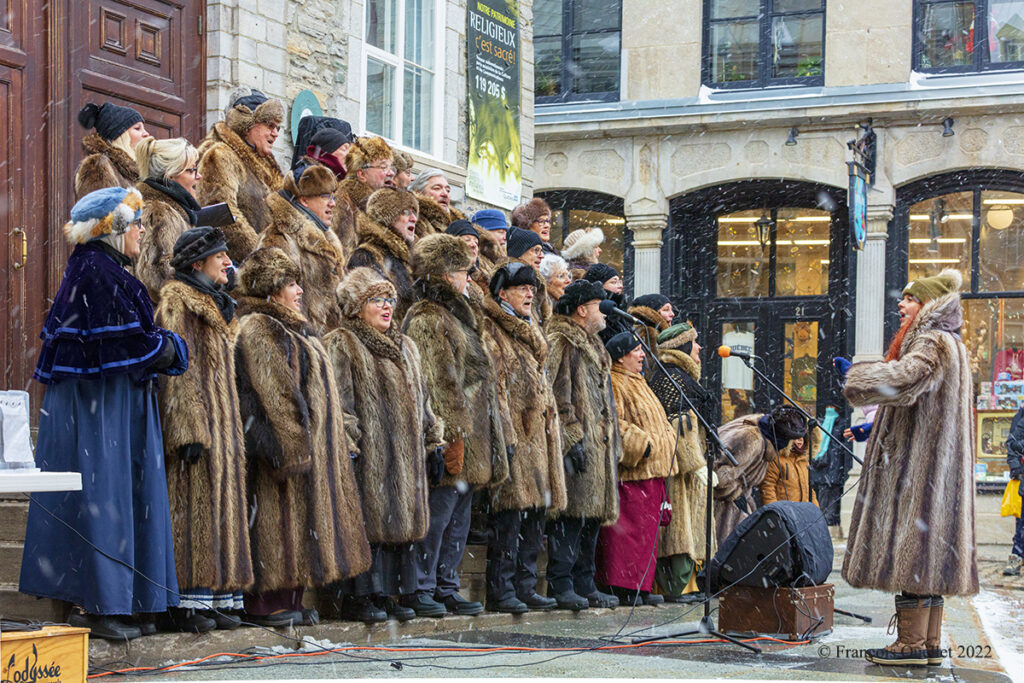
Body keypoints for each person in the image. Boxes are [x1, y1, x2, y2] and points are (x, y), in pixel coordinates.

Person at [20, 187, 188, 640]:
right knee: (105, 490)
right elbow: (127, 345)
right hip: (102, 408)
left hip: (111, 404)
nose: (140, 232)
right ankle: (103, 603)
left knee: (116, 491)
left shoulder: (101, 268)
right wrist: (170, 347)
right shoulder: (97, 272)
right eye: (134, 223)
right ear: (112, 229)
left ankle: (124, 600)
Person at [839, 269, 977, 667]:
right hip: (938, 468)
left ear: (928, 305)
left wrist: (859, 375)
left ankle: (911, 644)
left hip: (920, 468)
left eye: (909, 300)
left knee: (914, 553)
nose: (901, 306)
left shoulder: (931, 340)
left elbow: (906, 378)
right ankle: (929, 642)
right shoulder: (953, 343)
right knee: (930, 555)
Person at [233, 247, 371, 627]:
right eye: (291, 283)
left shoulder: (297, 327)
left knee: (297, 525)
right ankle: (265, 604)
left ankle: (290, 598)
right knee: (274, 523)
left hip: (310, 447)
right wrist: (291, 447)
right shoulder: (260, 326)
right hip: (279, 450)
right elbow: (275, 394)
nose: (299, 290)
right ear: (272, 289)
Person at [323, 268, 444, 623]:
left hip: (405, 457)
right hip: (370, 454)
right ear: (357, 307)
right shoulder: (343, 342)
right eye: (376, 300)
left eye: (389, 299)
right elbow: (339, 404)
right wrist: (349, 446)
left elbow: (423, 402)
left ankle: (390, 592)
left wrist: (433, 442)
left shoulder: (407, 346)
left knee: (399, 526)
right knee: (367, 527)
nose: (387, 307)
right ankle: (360, 597)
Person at [401, 234, 509, 617]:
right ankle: (421, 585)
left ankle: (446, 585)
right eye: (464, 271)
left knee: (457, 518)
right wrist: (450, 437)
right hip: (450, 435)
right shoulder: (430, 317)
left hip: (472, 433)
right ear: (446, 275)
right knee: (438, 515)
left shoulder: (458, 314)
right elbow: (439, 381)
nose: (469, 278)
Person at [155, 227, 251, 632]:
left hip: (224, 426)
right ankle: (187, 600)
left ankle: (218, 594)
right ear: (197, 263)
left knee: (221, 508)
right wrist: (189, 429)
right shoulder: (178, 303)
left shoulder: (218, 304)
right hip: (198, 425)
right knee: (191, 509)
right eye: (220, 256)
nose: (229, 262)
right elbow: (180, 373)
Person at [481, 263, 566, 613]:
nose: (531, 293)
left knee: (533, 515)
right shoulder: (493, 328)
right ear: (502, 294)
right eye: (521, 289)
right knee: (509, 516)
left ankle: (526, 585)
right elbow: (496, 387)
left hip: (539, 437)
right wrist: (508, 436)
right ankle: (502, 589)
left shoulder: (533, 329)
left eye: (532, 288)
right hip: (515, 434)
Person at [545, 280, 623, 611]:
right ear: (581, 310)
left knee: (590, 517)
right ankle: (561, 582)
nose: (604, 312)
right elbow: (557, 395)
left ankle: (584, 581)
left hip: (598, 446)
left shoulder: (593, 345)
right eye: (597, 305)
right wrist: (573, 436)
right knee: (572, 516)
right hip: (576, 445)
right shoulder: (563, 341)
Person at [598, 332, 676, 606]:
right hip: (633, 472)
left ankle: (640, 585)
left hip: (652, 473)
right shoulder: (615, 381)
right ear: (621, 356)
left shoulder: (639, 381)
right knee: (628, 536)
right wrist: (641, 446)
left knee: (646, 537)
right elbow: (613, 422)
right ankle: (623, 585)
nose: (643, 354)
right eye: (637, 350)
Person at [648, 322, 716, 603]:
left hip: (691, 466)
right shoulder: (670, 378)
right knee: (679, 529)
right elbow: (678, 424)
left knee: (692, 526)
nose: (699, 348)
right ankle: (675, 586)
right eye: (694, 342)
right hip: (678, 467)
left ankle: (690, 583)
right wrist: (696, 464)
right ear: (682, 348)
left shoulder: (681, 376)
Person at [197, 88, 285, 262]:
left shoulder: (263, 163)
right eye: (269, 125)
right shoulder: (221, 155)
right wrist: (261, 257)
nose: (275, 133)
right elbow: (221, 214)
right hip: (235, 270)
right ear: (247, 126)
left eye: (278, 127)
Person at [259, 163, 345, 333]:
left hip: (322, 345)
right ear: (304, 200)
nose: (333, 204)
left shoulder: (328, 239)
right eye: (325, 196)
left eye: (333, 197)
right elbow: (275, 303)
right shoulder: (280, 238)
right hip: (299, 340)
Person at [714, 406, 807, 544]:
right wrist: (736, 495)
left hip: (730, 507)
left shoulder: (760, 429)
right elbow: (719, 474)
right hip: (723, 510)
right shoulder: (753, 441)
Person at [135, 137, 203, 300]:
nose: (198, 176)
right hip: (164, 318)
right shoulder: (158, 212)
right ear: (170, 176)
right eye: (191, 170)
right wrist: (206, 277)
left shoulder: (177, 211)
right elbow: (157, 277)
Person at [349, 187, 419, 322]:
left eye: (414, 213)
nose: (414, 219)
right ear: (387, 217)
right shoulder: (366, 256)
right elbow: (369, 314)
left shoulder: (407, 258)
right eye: (406, 212)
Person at [333, 136, 394, 255]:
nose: (391, 173)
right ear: (362, 174)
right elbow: (342, 254)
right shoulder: (344, 203)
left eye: (391, 167)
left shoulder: (387, 206)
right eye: (383, 167)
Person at [74, 102, 150, 198]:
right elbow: (99, 210)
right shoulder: (98, 166)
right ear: (119, 136)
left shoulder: (141, 172)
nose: (146, 133)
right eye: (137, 128)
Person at [808, 405, 852, 540]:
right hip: (822, 467)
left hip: (833, 468)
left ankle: (828, 524)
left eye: (832, 407)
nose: (829, 409)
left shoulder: (841, 424)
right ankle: (823, 524)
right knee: (823, 495)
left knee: (831, 495)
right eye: (827, 407)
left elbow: (842, 447)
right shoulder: (821, 423)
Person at [760, 429, 818, 506]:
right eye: (796, 436)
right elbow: (767, 487)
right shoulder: (777, 459)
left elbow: (810, 490)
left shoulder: (804, 461)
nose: (801, 439)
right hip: (784, 513)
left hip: (802, 513)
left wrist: (817, 513)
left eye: (803, 436)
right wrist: (775, 512)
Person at [410, 170, 466, 237]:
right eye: (437, 188)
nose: (445, 194)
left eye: (448, 190)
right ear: (419, 193)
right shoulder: (413, 220)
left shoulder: (460, 226)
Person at [628, 293, 674, 375]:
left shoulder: (663, 335)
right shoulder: (647, 334)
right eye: (666, 310)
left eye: (671, 310)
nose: (672, 314)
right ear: (653, 313)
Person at [1003, 406, 1024, 577]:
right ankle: (1016, 557)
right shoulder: (1022, 417)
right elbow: (1013, 444)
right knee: (1022, 524)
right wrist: (1016, 467)